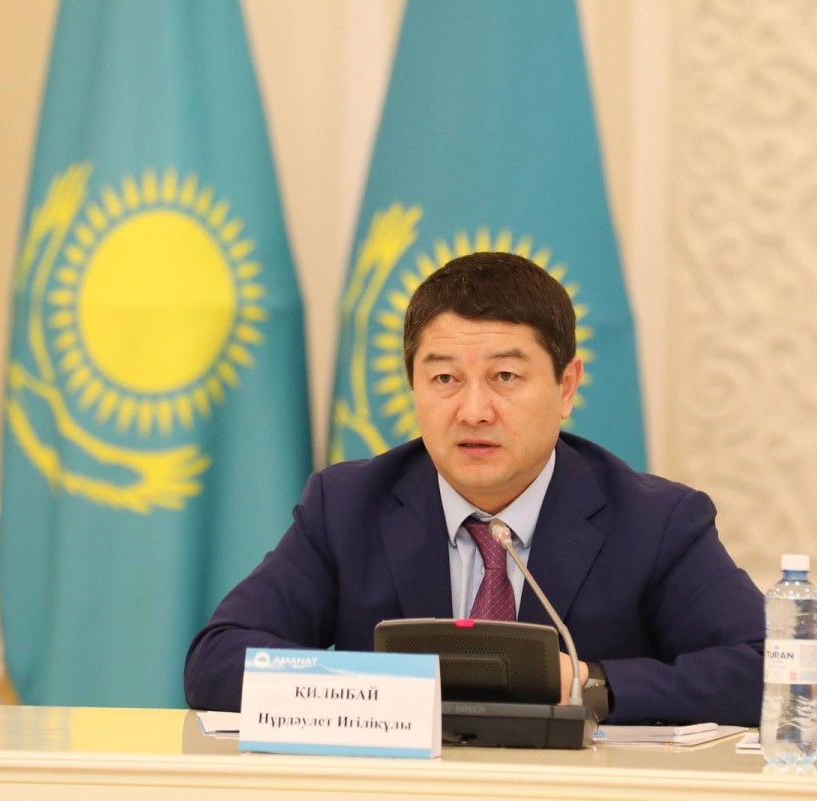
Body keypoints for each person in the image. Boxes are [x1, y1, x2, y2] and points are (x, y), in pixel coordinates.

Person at [184, 251, 764, 725]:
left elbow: (767, 671)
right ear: (414, 386)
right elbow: (218, 660)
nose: (474, 410)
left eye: (505, 376)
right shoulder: (347, 507)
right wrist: (387, 691)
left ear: (566, 387)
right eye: (444, 378)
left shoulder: (655, 521)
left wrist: (586, 684)